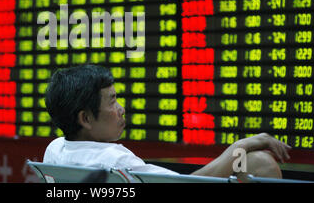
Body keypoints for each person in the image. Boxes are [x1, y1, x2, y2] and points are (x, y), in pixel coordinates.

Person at [43, 64, 291, 179]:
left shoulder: (54, 149)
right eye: (111, 101)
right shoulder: (114, 161)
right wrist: (243, 145)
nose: (121, 109)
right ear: (85, 118)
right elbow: (192, 184)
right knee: (259, 162)